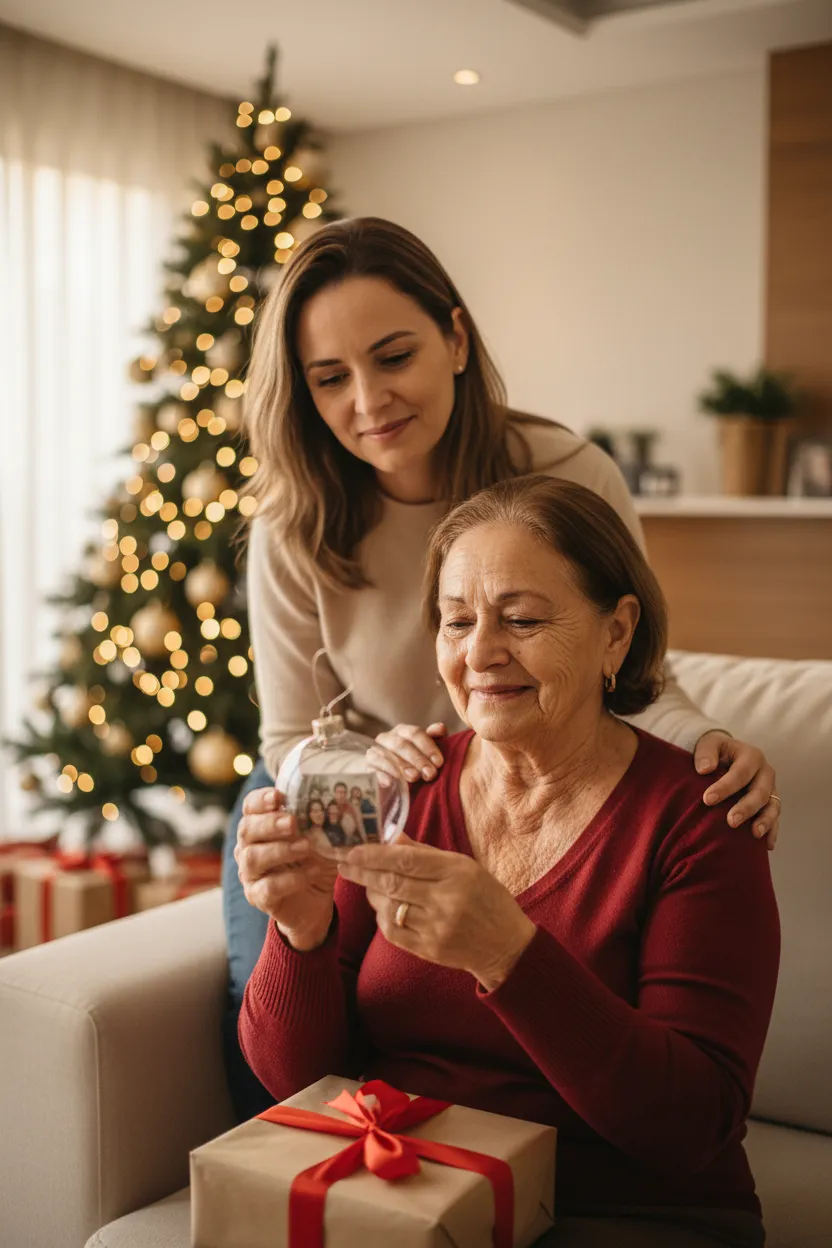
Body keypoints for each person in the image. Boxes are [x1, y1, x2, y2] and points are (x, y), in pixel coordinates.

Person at [222, 216, 780, 1121]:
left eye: (393, 356)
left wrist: (710, 746)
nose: (368, 399)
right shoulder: (295, 519)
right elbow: (292, 734)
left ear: (455, 338)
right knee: (276, 1038)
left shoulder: (565, 473)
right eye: (329, 378)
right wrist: (357, 800)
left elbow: (633, 664)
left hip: (512, 771)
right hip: (363, 784)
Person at [235, 477, 779, 1248]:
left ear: (616, 633)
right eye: (456, 621)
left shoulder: (703, 819)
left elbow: (693, 1125)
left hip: (629, 1213)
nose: (480, 654)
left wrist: (508, 955)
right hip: (416, 1195)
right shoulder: (403, 791)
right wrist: (299, 933)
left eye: (522, 620)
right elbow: (296, 1081)